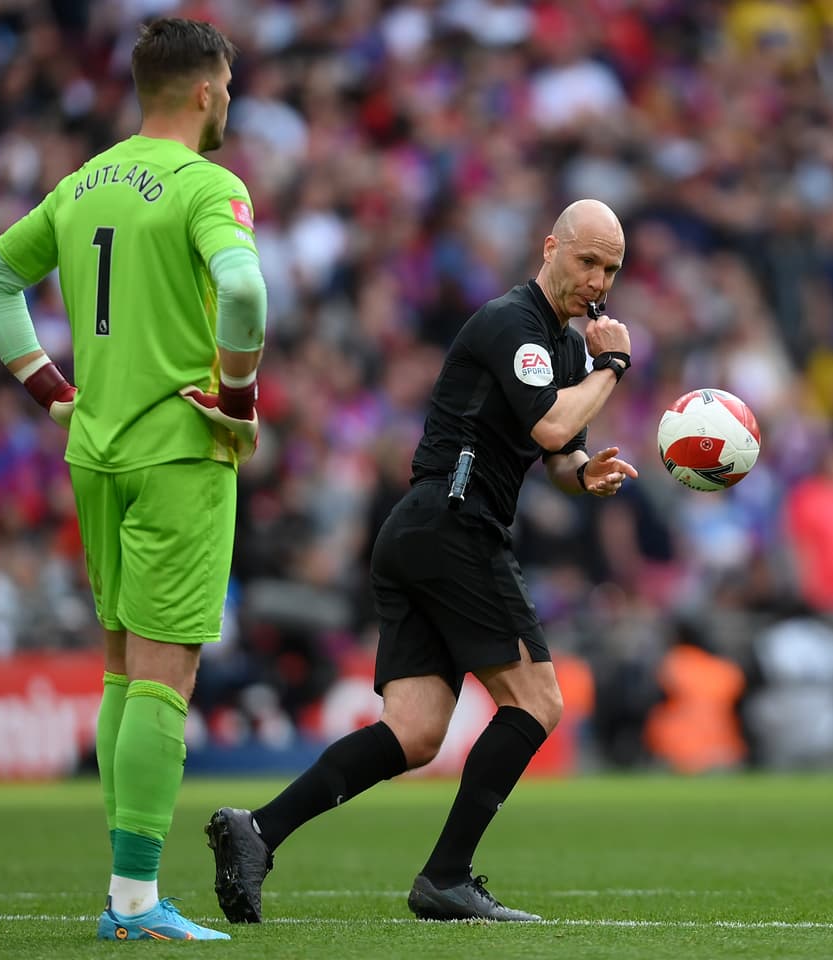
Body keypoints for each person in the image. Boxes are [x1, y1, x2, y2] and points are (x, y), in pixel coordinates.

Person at [206, 198, 636, 923]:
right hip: (454, 525)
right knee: (538, 702)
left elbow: (561, 453)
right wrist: (615, 365)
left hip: (422, 530)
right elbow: (552, 422)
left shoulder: (564, 351)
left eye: (611, 269)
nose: (598, 280)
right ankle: (447, 876)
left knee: (414, 732)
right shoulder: (512, 323)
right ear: (551, 247)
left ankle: (258, 830)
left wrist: (585, 473)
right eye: (588, 260)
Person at [0, 17, 268, 942]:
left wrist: (51, 390)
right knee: (165, 679)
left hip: (94, 452)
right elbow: (245, 291)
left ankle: (127, 892)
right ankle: (135, 901)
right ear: (207, 91)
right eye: (229, 89)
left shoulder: (83, 182)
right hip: (179, 452)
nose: (229, 102)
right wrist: (238, 398)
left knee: (121, 674)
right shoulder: (209, 185)